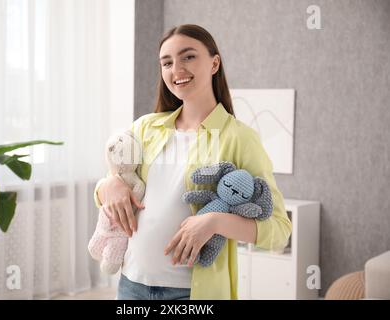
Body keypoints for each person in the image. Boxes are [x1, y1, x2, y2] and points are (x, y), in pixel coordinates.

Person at [93, 24, 292, 300]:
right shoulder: (145, 128)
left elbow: (279, 229)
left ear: (214, 63)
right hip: (132, 284)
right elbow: (113, 185)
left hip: (191, 293)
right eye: (167, 62)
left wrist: (214, 222)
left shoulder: (239, 138)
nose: (176, 69)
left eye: (188, 57)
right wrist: (108, 185)